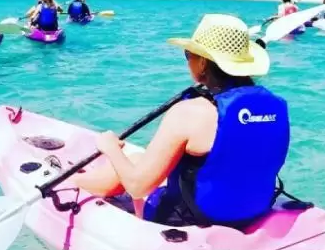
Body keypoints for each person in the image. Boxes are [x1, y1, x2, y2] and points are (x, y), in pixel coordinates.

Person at [63, 14, 290, 228]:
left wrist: (110, 147)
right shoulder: (277, 106)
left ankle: (71, 182)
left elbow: (137, 187)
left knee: (122, 169)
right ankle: (81, 177)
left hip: (191, 218)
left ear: (203, 63)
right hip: (253, 210)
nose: (187, 61)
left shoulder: (190, 112)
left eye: (188, 55)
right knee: (136, 158)